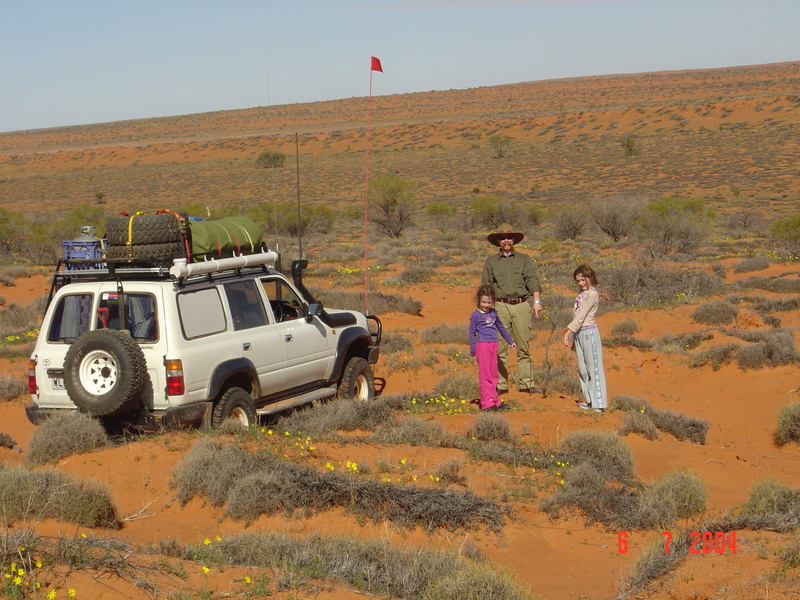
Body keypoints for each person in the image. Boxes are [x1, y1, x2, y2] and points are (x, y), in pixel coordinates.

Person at [481, 223, 542, 394]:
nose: (506, 240)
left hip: (522, 305)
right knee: (500, 348)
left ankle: (527, 384)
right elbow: (486, 286)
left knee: (524, 346)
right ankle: (501, 385)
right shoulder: (491, 261)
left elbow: (532, 280)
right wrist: (485, 311)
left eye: (508, 237)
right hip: (499, 307)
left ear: (514, 240)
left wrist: (537, 302)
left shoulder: (524, 259)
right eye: (502, 238)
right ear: (498, 241)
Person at [562, 264, 607, 413]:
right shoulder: (581, 294)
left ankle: (598, 403)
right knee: (583, 369)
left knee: (593, 368)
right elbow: (577, 315)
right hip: (579, 334)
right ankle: (589, 400)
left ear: (590, 278)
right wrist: (574, 336)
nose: (581, 283)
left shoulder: (592, 294)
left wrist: (567, 333)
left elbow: (581, 316)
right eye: (578, 281)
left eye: (583, 280)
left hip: (589, 333)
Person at [469, 285, 516, 410]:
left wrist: (510, 341)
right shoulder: (475, 316)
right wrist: (473, 349)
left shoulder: (494, 313)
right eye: (484, 302)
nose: (486, 305)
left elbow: (501, 328)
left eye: (489, 302)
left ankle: (494, 399)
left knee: (493, 374)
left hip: (494, 345)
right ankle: (486, 402)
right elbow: (472, 333)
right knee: (485, 375)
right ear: (479, 300)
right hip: (482, 346)